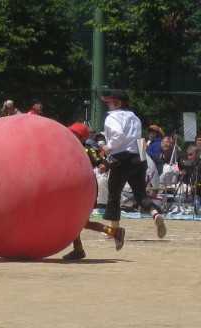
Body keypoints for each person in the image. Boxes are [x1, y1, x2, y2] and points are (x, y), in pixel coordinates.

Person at [100, 89, 167, 239]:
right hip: (138, 158)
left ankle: (114, 231)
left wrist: (107, 147)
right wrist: (143, 161)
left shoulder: (112, 117)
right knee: (141, 196)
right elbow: (140, 139)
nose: (108, 105)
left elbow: (117, 135)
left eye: (109, 102)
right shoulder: (135, 117)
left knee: (114, 196)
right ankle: (155, 214)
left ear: (117, 103)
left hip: (121, 159)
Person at [62, 122, 125, 260]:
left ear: (81, 137)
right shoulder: (66, 149)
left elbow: (102, 161)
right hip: (71, 189)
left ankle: (81, 249)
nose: (69, 135)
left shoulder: (86, 150)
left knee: (77, 221)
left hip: (85, 190)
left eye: (74, 133)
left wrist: (103, 165)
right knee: (79, 222)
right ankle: (113, 233)